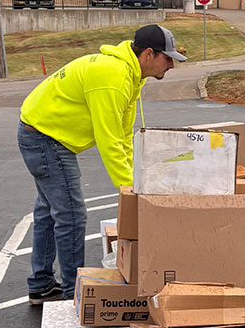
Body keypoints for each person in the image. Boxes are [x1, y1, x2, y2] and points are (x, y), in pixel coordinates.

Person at [17, 23, 187, 304]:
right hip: (43, 137)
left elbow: (122, 137)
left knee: (50, 212)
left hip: (45, 135)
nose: (171, 65)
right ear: (148, 54)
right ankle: (76, 294)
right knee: (71, 215)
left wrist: (138, 180)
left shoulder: (132, 77)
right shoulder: (112, 76)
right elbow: (108, 142)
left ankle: (41, 284)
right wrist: (131, 193)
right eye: (167, 58)